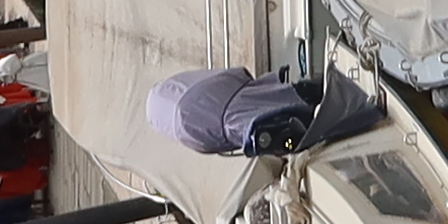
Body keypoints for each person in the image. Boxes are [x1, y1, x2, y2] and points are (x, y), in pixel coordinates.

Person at [147, 64, 377, 157]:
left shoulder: (190, 136)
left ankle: (360, 113)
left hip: (244, 128)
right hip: (235, 98)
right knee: (295, 98)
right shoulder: (188, 102)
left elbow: (218, 146)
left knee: (291, 131)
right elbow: (239, 75)